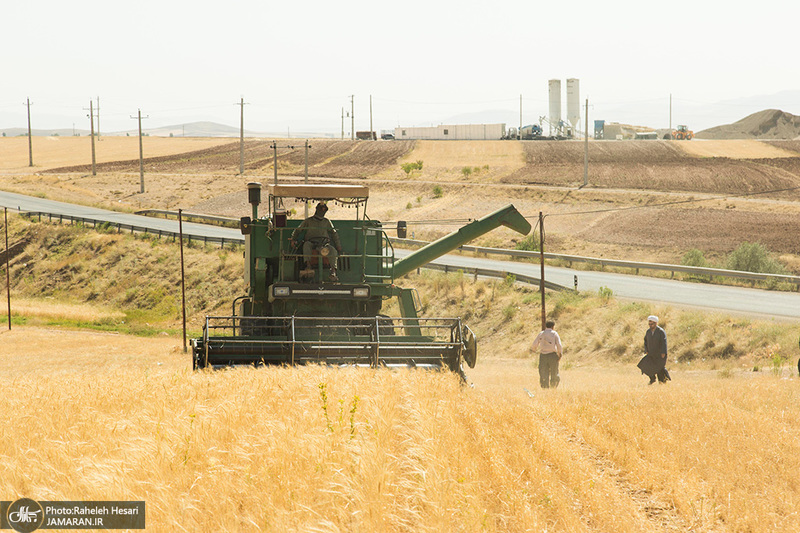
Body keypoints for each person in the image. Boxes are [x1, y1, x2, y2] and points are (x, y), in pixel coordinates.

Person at [290, 202, 343, 282]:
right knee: (306, 245)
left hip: (324, 244)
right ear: (317, 210)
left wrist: (338, 246)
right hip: (311, 243)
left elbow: (334, 233)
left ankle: (333, 271)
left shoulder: (327, 222)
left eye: (324, 210)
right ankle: (308, 266)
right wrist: (293, 239)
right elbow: (298, 230)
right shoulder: (308, 221)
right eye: (321, 210)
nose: (322, 212)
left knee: (332, 250)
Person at [638, 315, 671, 384]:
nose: (650, 325)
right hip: (651, 354)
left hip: (659, 354)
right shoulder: (648, 332)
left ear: (656, 323)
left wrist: (663, 352)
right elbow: (645, 341)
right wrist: (646, 350)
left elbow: (664, 342)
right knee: (644, 365)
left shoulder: (661, 331)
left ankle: (662, 381)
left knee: (659, 368)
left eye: (652, 324)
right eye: (649, 324)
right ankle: (652, 378)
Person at [531, 320, 563, 389]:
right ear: (553, 327)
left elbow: (534, 344)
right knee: (554, 372)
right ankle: (553, 387)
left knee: (543, 372)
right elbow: (559, 345)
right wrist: (560, 354)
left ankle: (545, 387)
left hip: (543, 356)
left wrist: (534, 350)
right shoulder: (554, 334)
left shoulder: (541, 333)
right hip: (552, 355)